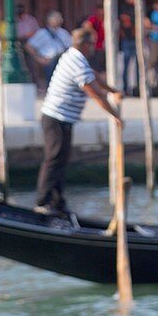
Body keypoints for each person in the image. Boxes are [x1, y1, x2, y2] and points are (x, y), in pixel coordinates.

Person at [35, 28, 123, 215]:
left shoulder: (75, 57)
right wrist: (115, 115)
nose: (94, 47)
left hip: (63, 118)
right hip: (56, 118)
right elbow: (95, 93)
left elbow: (95, 77)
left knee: (61, 160)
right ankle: (43, 202)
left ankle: (58, 203)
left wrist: (113, 90)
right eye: (92, 43)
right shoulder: (75, 60)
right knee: (54, 159)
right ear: (84, 44)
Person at [26, 11, 72, 88]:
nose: (58, 20)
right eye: (55, 18)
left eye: (59, 18)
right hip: (48, 60)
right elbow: (29, 46)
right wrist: (39, 59)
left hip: (61, 59)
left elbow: (70, 46)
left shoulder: (63, 33)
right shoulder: (42, 33)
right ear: (49, 20)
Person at [119, 0, 138, 94]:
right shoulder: (124, 8)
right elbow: (124, 22)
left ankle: (138, 88)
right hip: (127, 39)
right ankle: (126, 88)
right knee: (126, 65)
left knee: (138, 65)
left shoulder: (138, 7)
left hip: (136, 39)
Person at [86, 4, 106, 71]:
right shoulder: (93, 19)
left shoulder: (107, 20)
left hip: (104, 47)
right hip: (95, 47)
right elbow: (87, 26)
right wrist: (93, 32)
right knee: (95, 66)